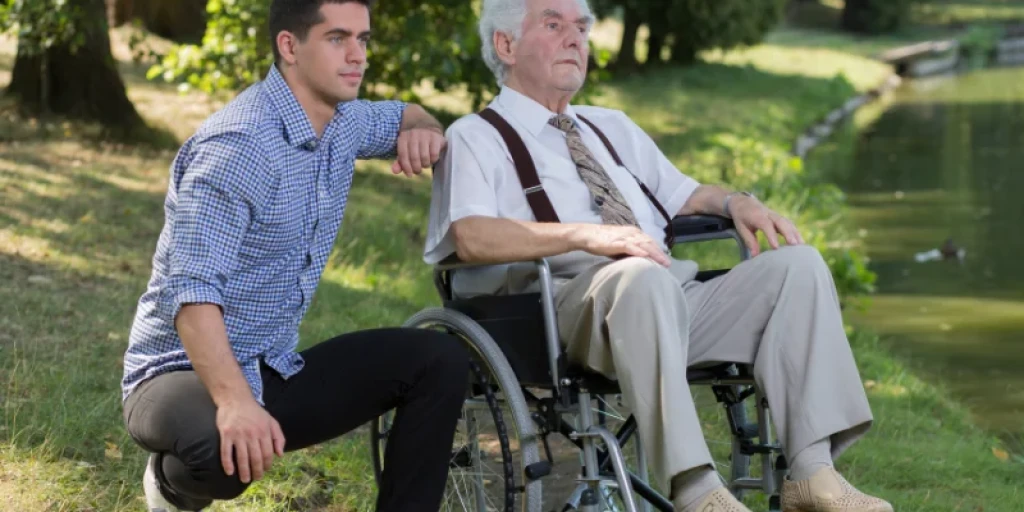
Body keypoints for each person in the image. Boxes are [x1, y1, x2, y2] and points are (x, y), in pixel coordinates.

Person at [423, 0, 895, 511]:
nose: (574, 39)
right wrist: (587, 236)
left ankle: (811, 472)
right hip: (565, 313)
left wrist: (739, 202)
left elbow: (686, 195)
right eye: (553, 24)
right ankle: (695, 488)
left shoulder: (610, 127)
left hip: (670, 295)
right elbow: (470, 237)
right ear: (506, 45)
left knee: (797, 268)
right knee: (638, 279)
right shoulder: (474, 137)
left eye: (581, 27)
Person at [121, 1, 469, 511]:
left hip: (273, 369)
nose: (358, 56)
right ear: (289, 46)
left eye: (364, 40)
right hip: (179, 372)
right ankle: (169, 487)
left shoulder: (343, 121)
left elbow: (404, 114)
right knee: (222, 454)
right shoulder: (239, 146)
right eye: (337, 39)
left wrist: (425, 128)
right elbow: (192, 295)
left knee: (439, 360)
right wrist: (235, 402)